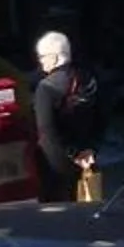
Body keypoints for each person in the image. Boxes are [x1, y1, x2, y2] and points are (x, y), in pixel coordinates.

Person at [31, 31, 107, 203]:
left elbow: (47, 132)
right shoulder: (89, 79)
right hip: (87, 159)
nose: (40, 60)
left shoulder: (46, 88)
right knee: (88, 207)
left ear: (56, 57)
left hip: (55, 168)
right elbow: (102, 118)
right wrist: (91, 150)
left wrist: (70, 159)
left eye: (43, 56)